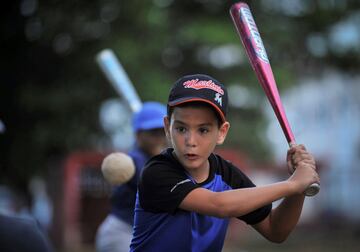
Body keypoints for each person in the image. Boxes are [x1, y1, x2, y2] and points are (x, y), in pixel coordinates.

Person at [129, 74, 320, 251]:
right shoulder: (157, 172)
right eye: (181, 129)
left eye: (203, 130)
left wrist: (298, 190)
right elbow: (219, 205)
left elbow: (275, 230)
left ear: (221, 132)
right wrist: (292, 184)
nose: (191, 141)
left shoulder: (226, 175)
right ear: (167, 127)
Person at [95, 101, 167, 252]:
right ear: (138, 134)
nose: (159, 137)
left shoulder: (159, 159)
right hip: (122, 233)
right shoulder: (134, 159)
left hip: (142, 235)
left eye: (163, 131)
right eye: (153, 132)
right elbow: (152, 183)